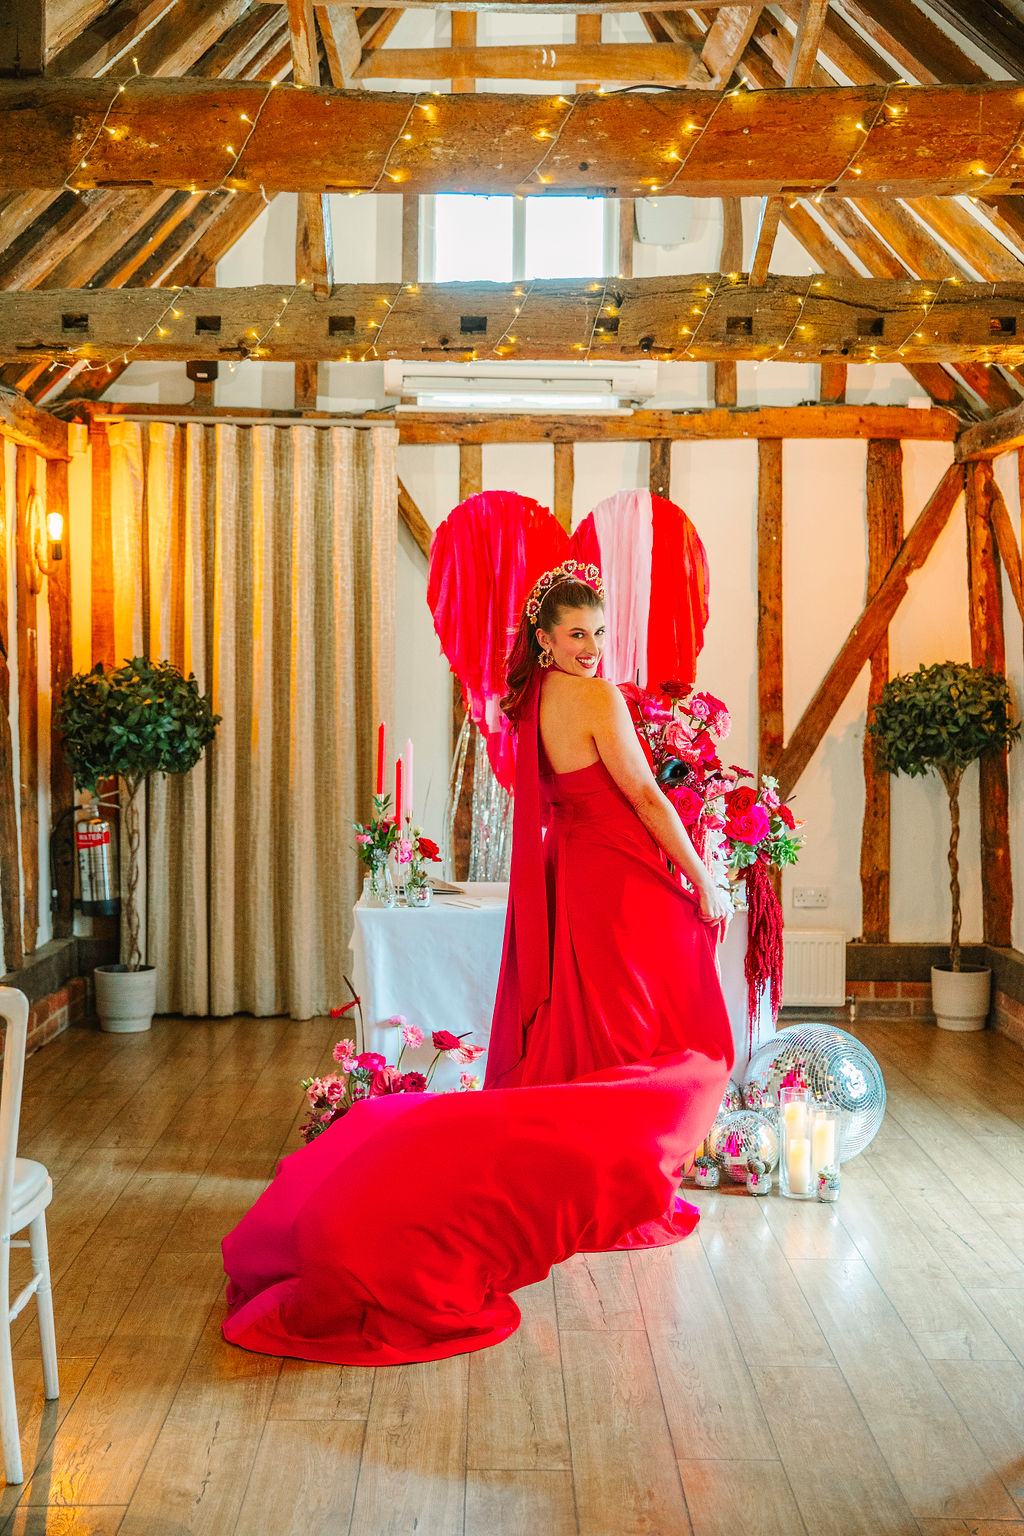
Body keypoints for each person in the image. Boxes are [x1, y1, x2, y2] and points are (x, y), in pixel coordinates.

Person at [221, 562, 733, 1366]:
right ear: (544, 637)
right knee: (654, 1030)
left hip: (577, 875)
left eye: (600, 634)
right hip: (620, 877)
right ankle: (617, 1183)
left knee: (598, 1023)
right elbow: (644, 796)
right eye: (577, 635)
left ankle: (596, 1173)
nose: (594, 649)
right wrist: (703, 878)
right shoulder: (595, 699)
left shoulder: (536, 701)